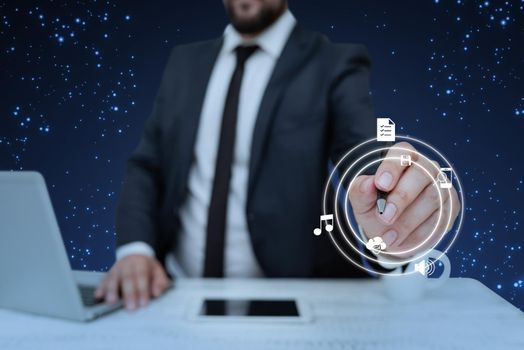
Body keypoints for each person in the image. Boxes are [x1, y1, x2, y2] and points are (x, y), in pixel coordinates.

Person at [95, 0, 459, 310]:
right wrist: (135, 249)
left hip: (294, 301)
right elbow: (147, 165)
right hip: (173, 293)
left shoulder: (332, 61)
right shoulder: (183, 62)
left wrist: (398, 197)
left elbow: (363, 152)